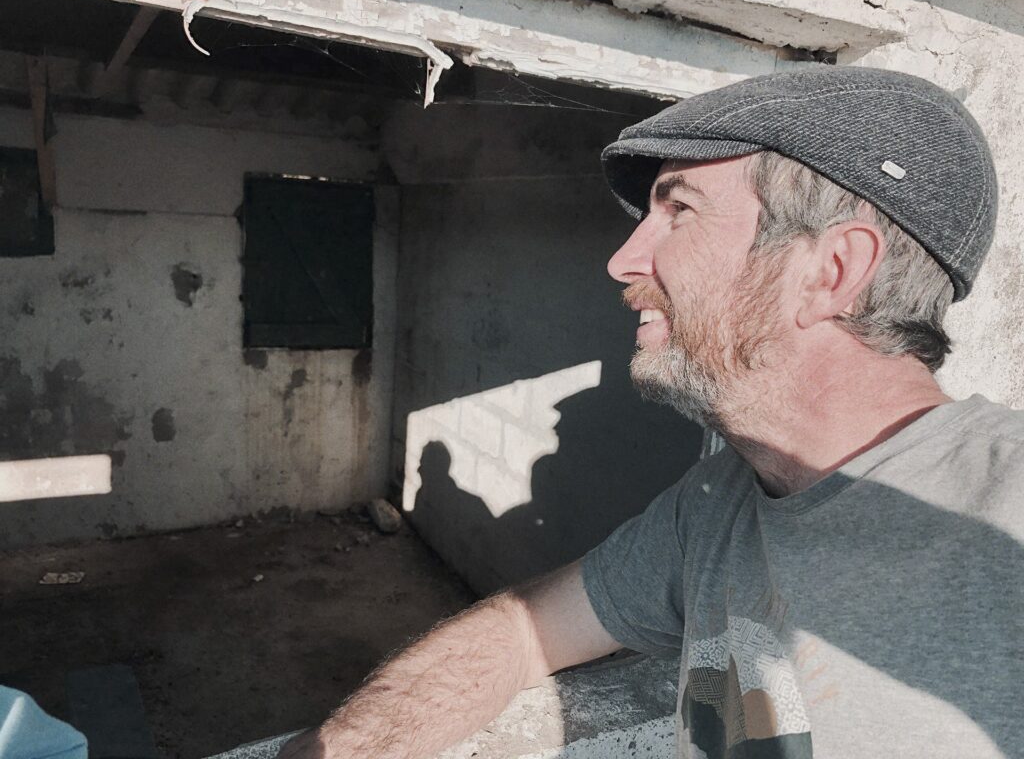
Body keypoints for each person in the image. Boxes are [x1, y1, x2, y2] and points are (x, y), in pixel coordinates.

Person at [279, 66, 1023, 758]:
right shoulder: (715, 506)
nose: (623, 260)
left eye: (680, 210)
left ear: (831, 272)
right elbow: (524, 630)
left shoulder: (1006, 513)